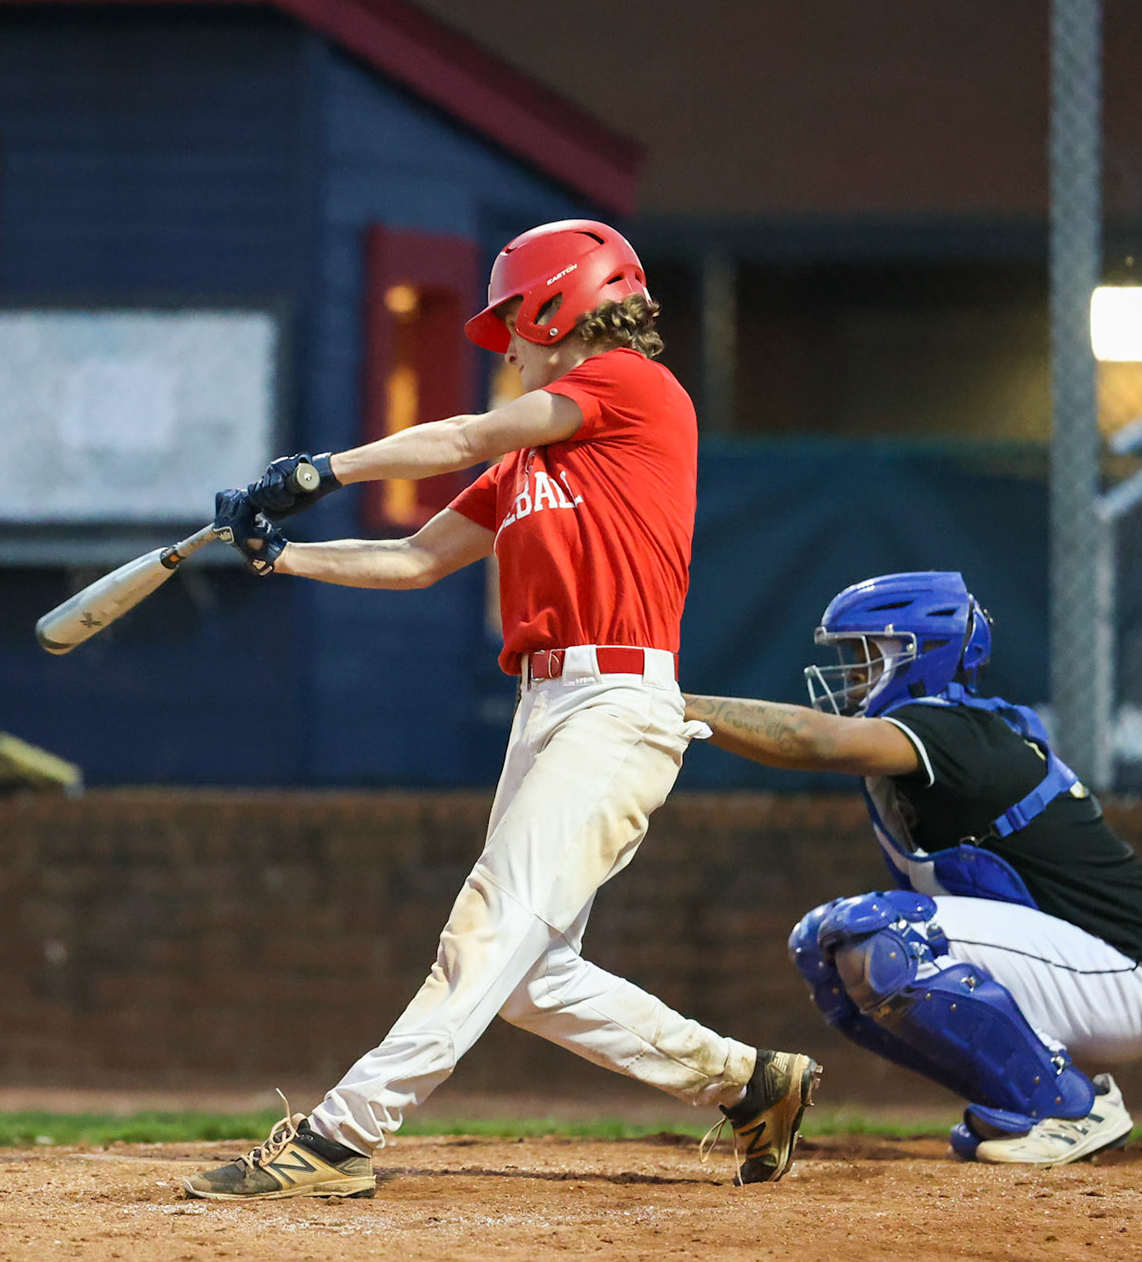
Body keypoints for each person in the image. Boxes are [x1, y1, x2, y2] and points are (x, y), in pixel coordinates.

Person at [184, 220, 821, 1201]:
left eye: (517, 323)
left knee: (485, 931)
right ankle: (751, 1082)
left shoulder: (630, 385)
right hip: (549, 705)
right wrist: (281, 555)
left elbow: (469, 433)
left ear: (564, 303)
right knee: (529, 976)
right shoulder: (533, 463)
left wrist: (325, 469)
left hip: (618, 702)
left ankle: (337, 1135)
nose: (510, 347)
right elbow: (416, 558)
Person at [683, 571, 1142, 1166]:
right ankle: (1021, 1099)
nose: (852, 674)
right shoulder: (935, 739)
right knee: (822, 947)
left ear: (920, 654)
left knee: (881, 935)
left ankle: (1071, 1109)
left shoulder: (954, 728)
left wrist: (680, 706)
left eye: (865, 654)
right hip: (1081, 968)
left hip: (1132, 978)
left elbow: (813, 740)